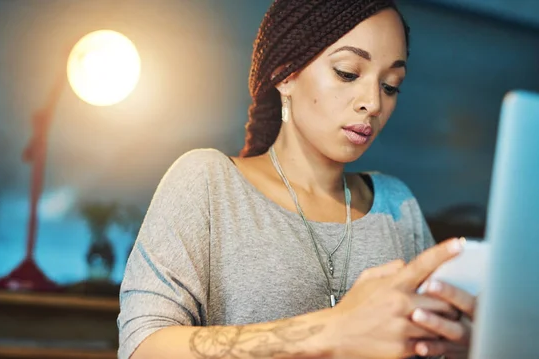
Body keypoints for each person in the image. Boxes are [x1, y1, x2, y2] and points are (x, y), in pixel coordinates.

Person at [117, 1, 477, 358]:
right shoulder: (209, 185)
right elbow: (143, 348)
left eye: (390, 85)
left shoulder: (398, 207)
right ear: (286, 74)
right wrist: (334, 329)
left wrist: (463, 343)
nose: (373, 103)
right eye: (348, 73)